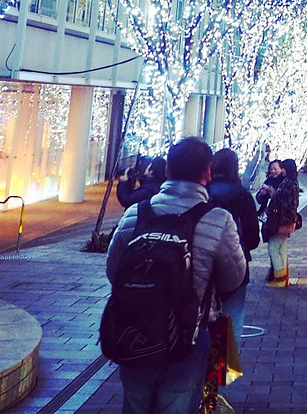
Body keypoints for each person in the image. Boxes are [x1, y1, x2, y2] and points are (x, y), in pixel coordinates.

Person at [107, 136, 246, 414]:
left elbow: (113, 270)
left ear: (168, 170)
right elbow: (234, 278)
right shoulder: (217, 219)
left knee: (134, 402)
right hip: (188, 333)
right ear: (207, 173)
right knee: (177, 402)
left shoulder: (136, 213)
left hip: (134, 329)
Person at [206, 147, 261, 345]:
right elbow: (253, 238)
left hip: (204, 260)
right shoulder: (243, 195)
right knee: (233, 314)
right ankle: (225, 362)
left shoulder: (204, 192)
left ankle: (205, 357)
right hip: (236, 261)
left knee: (203, 311)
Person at [256, 158, 299, 287]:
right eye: (271, 169)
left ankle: (279, 278)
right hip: (283, 220)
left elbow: (282, 201)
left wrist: (272, 192)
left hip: (281, 220)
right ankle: (282, 277)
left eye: (279, 168)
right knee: (281, 248)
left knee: (274, 248)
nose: (274, 171)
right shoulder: (290, 182)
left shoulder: (288, 183)